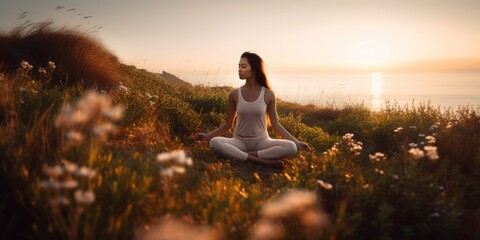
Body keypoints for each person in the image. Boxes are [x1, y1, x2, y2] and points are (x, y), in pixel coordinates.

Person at [196, 52, 313, 168]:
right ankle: (264, 162)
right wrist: (207, 137)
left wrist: (297, 142)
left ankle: (242, 156)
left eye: (244, 66)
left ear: (254, 69)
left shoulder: (268, 94)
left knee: (291, 147)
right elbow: (228, 124)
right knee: (215, 143)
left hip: (262, 142)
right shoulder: (234, 94)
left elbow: (276, 125)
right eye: (239, 66)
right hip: (239, 142)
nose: (239, 69)